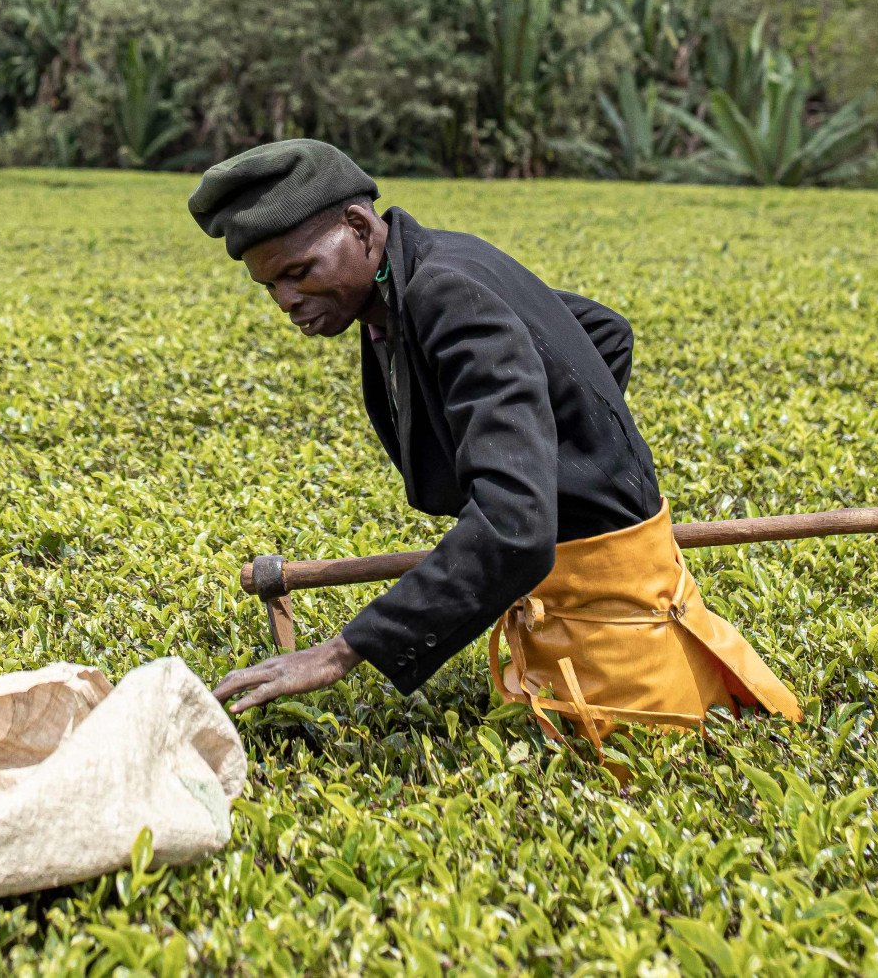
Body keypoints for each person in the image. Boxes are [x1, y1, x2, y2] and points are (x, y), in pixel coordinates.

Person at [194, 138, 799, 747]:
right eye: (271, 286)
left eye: (299, 272)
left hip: (609, 624)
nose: (287, 300)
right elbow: (600, 333)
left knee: (623, 762)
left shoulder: (442, 290)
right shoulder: (426, 269)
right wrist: (542, 455)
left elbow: (514, 526)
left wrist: (343, 651)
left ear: (357, 225)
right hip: (562, 600)